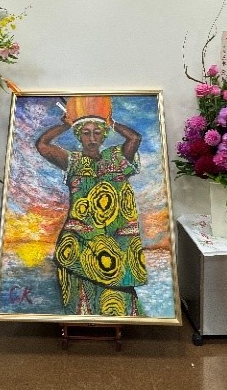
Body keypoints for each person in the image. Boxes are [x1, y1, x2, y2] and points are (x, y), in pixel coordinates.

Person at [36, 111, 148, 316]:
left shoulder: (117, 157)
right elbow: (42, 144)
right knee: (80, 287)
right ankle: (81, 322)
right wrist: (65, 126)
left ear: (104, 136)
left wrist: (112, 123)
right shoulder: (73, 160)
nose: (92, 138)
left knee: (118, 288)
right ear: (79, 136)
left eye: (97, 132)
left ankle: (117, 322)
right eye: (86, 133)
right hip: (81, 238)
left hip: (117, 239)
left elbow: (135, 138)